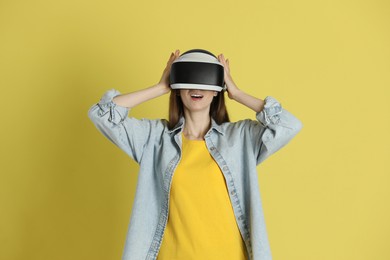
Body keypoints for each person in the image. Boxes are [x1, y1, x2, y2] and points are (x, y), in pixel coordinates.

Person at [88, 49, 303, 260]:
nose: (196, 87)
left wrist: (236, 93)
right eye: (188, 80)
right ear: (178, 88)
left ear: (216, 89)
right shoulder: (153, 139)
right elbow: (102, 115)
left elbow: (288, 125)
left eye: (205, 80)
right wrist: (160, 87)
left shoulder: (240, 138)